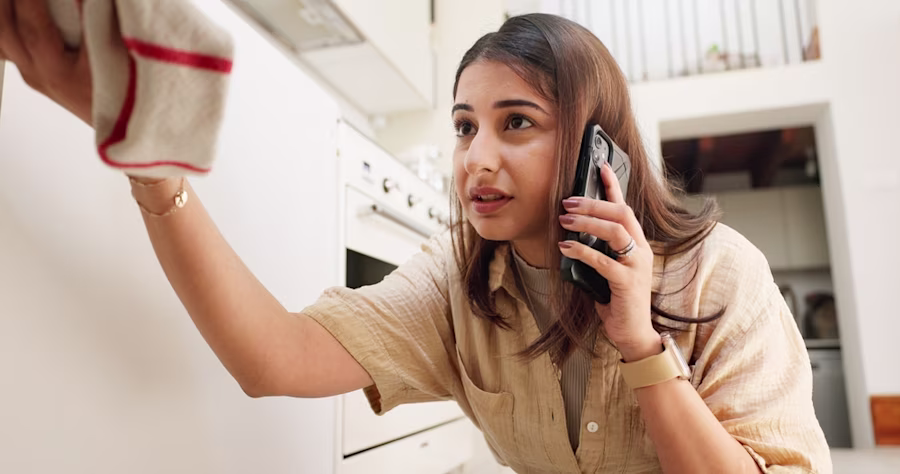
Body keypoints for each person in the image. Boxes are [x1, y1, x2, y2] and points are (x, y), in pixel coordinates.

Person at [0, 3, 830, 473]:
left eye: (518, 124)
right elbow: (271, 360)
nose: (478, 158)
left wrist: (641, 342)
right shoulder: (459, 277)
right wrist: (153, 167)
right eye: (466, 126)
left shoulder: (720, 277)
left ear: (593, 147)